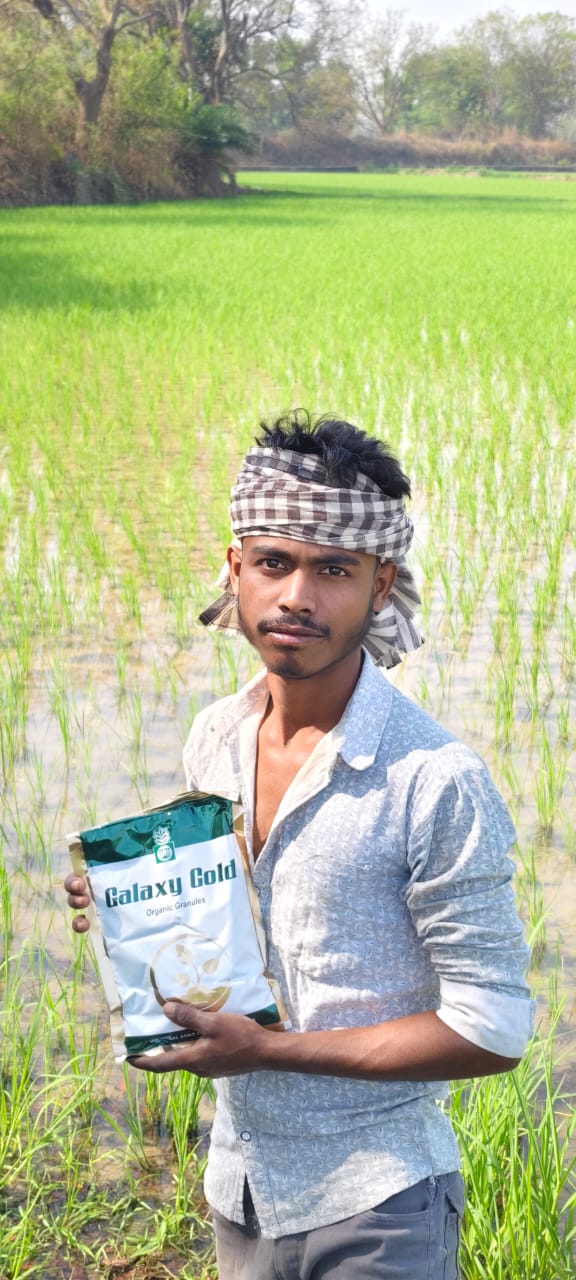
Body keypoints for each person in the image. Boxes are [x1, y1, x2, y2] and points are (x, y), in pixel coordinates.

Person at [66, 411, 534, 1280]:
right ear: (235, 567)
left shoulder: (433, 778)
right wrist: (136, 903)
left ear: (382, 585)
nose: (296, 597)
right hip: (239, 1186)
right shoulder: (214, 737)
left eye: (335, 570)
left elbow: (494, 1028)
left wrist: (267, 1052)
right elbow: (231, 930)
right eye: (275, 563)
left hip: (379, 1204)